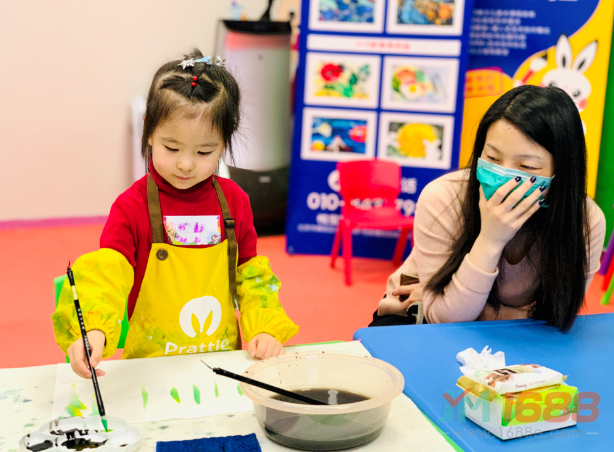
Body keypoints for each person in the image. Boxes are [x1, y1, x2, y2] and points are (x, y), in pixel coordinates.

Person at [52, 50, 299, 379]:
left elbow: (252, 279)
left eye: (204, 152)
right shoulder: (131, 207)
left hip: (220, 368)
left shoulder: (234, 202)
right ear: (149, 131)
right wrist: (94, 330)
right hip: (149, 369)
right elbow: (106, 278)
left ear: (224, 143)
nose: (186, 164)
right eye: (172, 147)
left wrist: (264, 329)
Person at [372, 85, 606, 332]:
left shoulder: (585, 221)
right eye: (493, 158)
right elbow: (445, 319)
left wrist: (449, 299)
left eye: (526, 167)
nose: (505, 175)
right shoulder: (443, 198)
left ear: (562, 171)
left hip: (513, 333)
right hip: (416, 321)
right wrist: (491, 238)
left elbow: (558, 314)